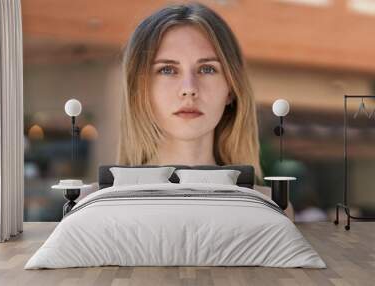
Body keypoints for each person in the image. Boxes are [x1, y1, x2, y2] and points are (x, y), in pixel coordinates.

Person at [116, 2, 294, 219]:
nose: (189, 89)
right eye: (167, 69)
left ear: (231, 88)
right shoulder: (97, 201)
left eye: (207, 69)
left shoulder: (272, 206)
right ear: (139, 90)